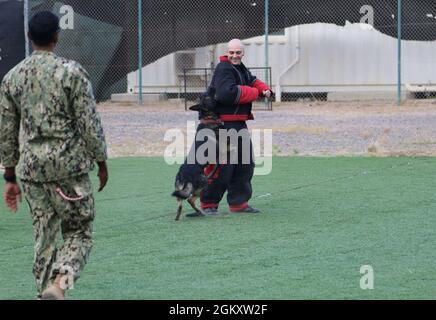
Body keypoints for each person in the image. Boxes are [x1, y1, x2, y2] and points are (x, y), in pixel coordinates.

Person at [0, 11, 108, 300]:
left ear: (28, 37)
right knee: (79, 232)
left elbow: (6, 131)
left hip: (32, 172)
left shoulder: (12, 78)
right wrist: (101, 161)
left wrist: (9, 175)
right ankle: (60, 286)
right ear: (57, 37)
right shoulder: (71, 72)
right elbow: (89, 123)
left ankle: (45, 293)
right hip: (68, 169)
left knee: (44, 238)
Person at [197, 39, 272, 215]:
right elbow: (226, 93)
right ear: (227, 52)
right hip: (223, 123)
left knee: (245, 165)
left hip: (238, 122)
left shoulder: (241, 68)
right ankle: (208, 204)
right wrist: (256, 93)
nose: (235, 55)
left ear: (242, 53)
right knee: (222, 166)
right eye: (232, 52)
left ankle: (239, 203)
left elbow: (252, 80)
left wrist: (265, 89)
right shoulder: (224, 68)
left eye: (238, 53)